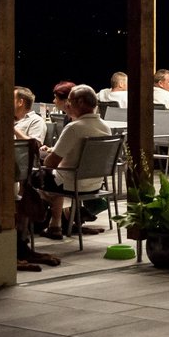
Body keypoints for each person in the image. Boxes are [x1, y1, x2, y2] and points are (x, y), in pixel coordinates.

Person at [39, 85, 112, 239]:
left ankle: (49, 224)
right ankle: (63, 219)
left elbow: (50, 163)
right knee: (55, 175)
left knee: (35, 176)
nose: (67, 104)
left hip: (71, 183)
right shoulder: (105, 127)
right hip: (95, 184)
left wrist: (46, 156)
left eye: (70, 101)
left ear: (79, 102)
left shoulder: (74, 128)